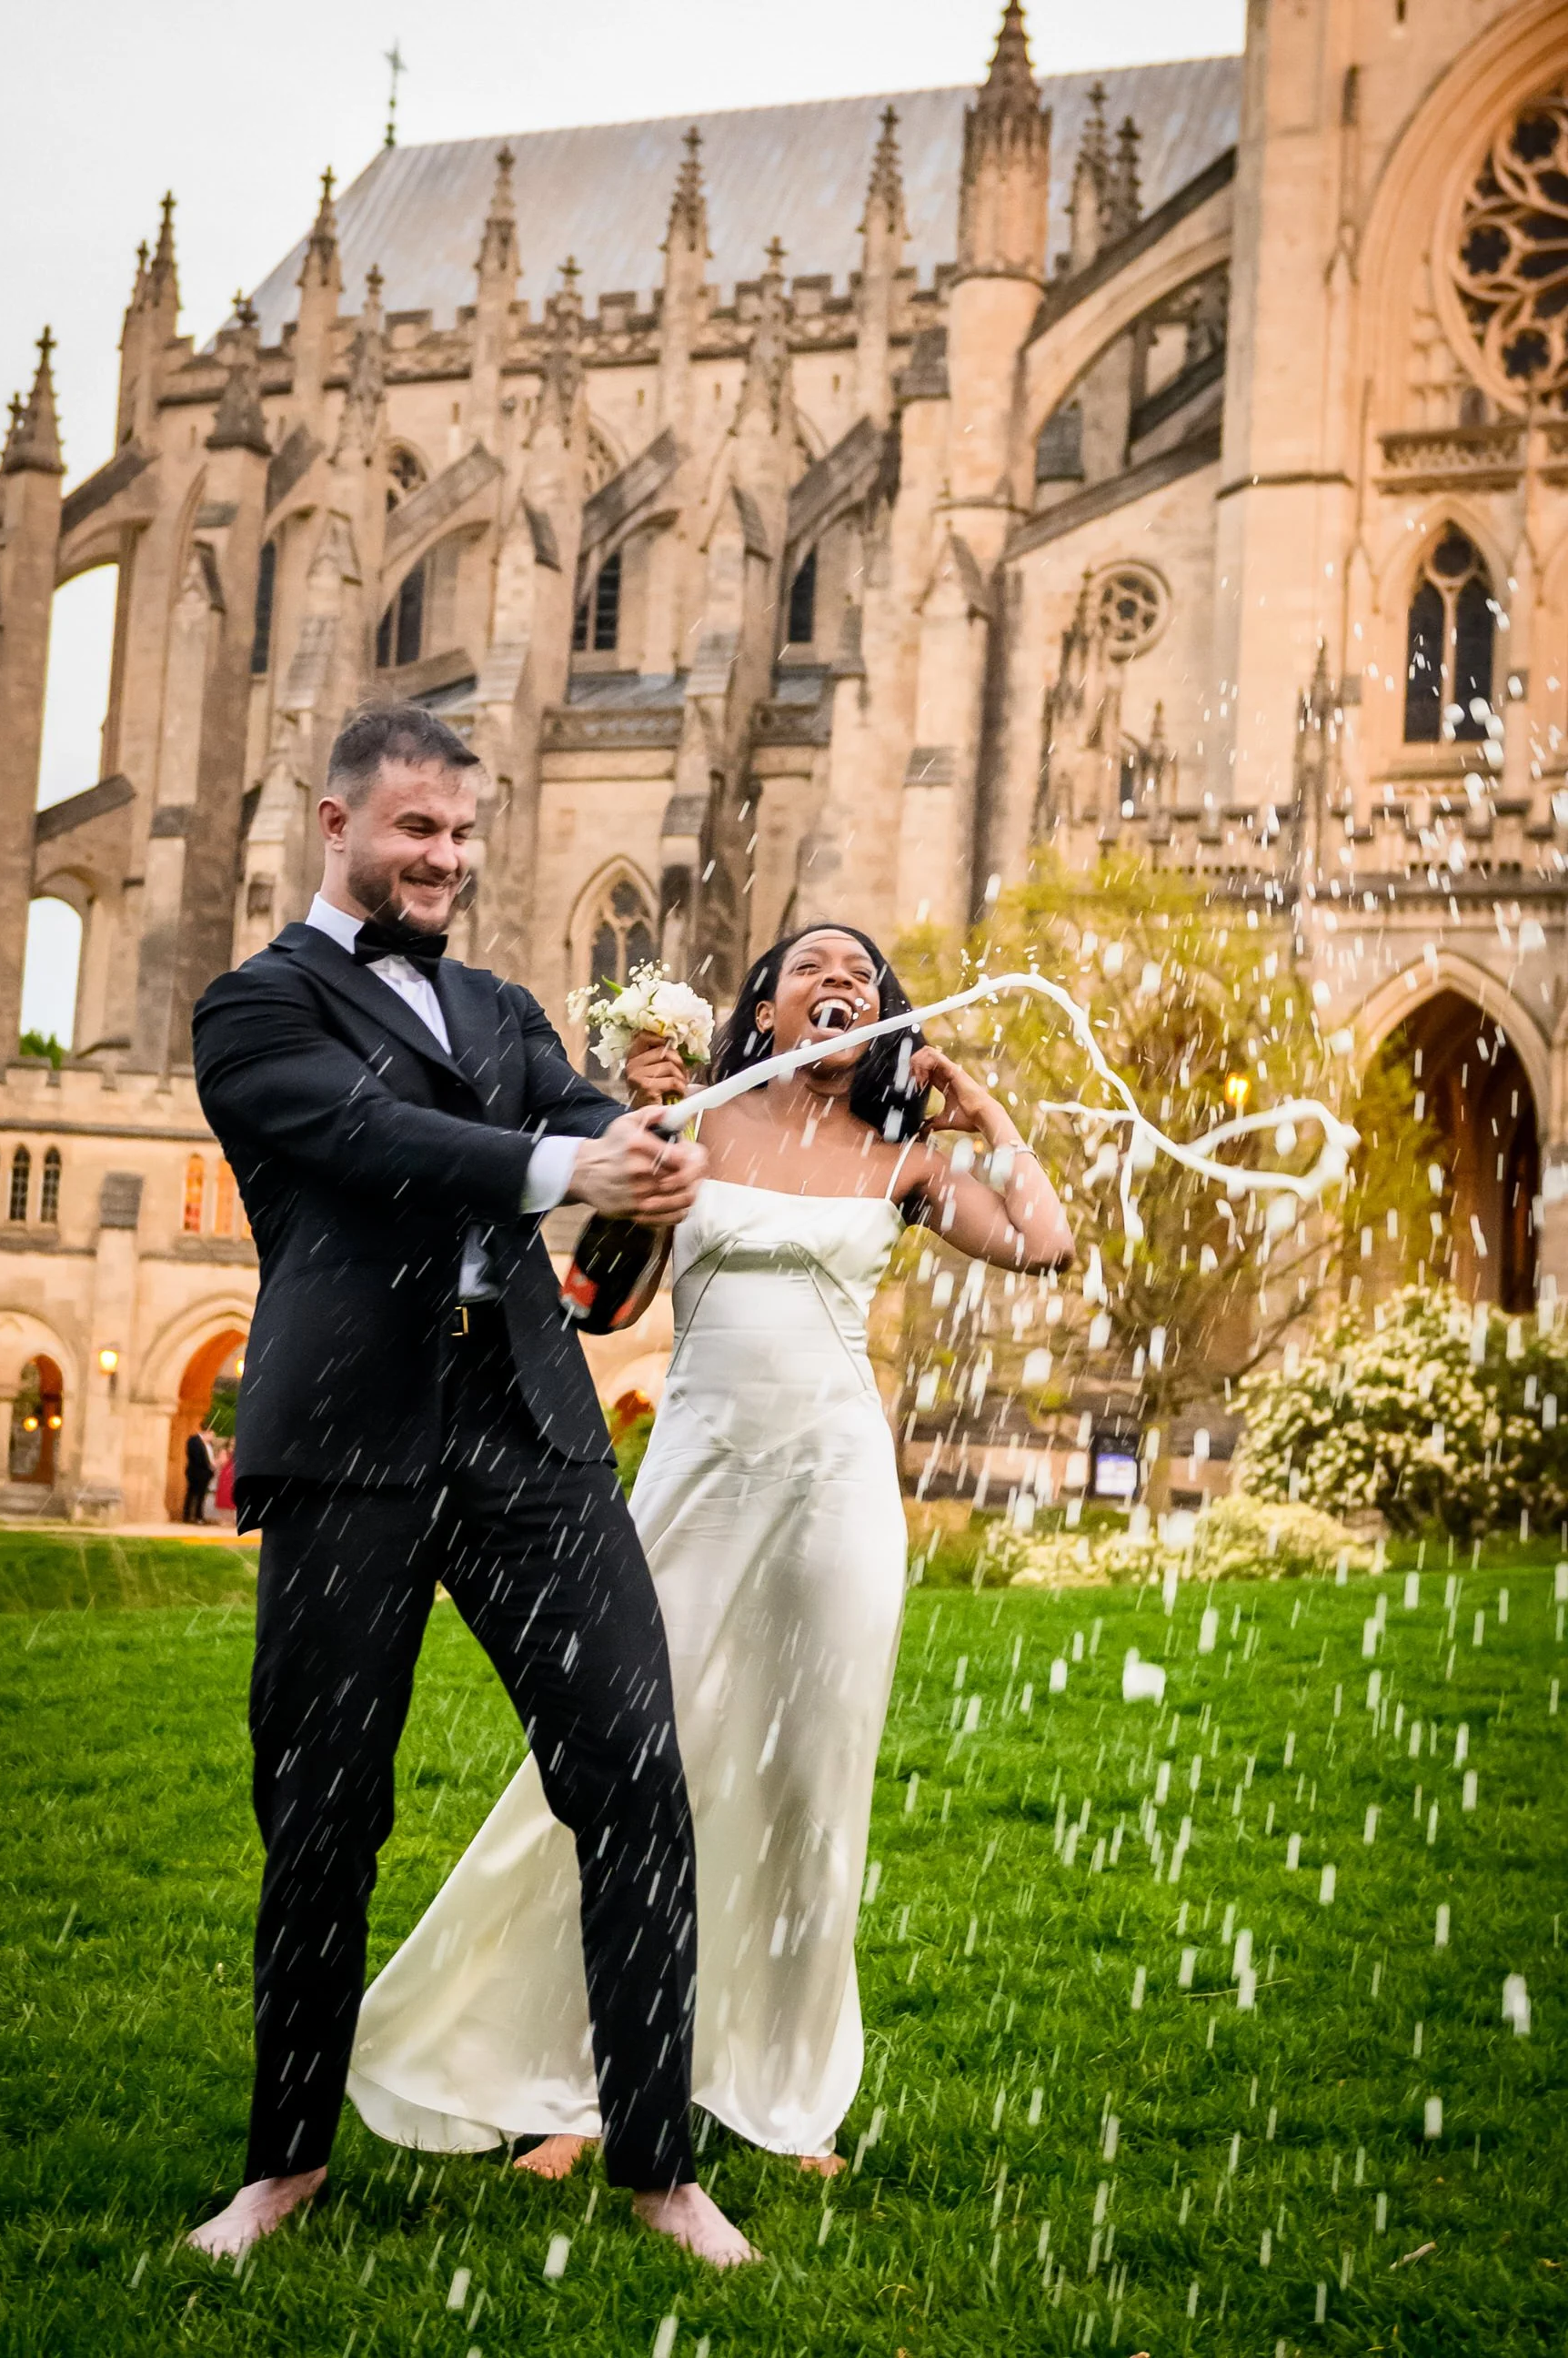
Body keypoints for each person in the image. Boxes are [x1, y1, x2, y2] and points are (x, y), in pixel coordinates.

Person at [346, 923, 1071, 2180]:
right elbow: (601, 1307)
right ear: (766, 1009)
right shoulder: (699, 1129)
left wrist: (984, 1108)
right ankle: (580, 2088)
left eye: (864, 977)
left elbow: (1042, 1241)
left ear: (882, 1022)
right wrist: (644, 1153)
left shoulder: (901, 1161)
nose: (841, 983)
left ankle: (785, 2097)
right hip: (698, 1484)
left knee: (810, 1792)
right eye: (815, 970)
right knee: (628, 1769)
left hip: (839, 1491)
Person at [186, 701, 753, 2266]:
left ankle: (656, 2160)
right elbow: (370, 1138)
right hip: (350, 1442)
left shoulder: (502, 1010)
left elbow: (593, 1147)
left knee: (635, 1770)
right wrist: (569, 1169)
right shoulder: (252, 1011)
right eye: (415, 829)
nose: (443, 857)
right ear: (337, 825)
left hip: (530, 1439)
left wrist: (649, 1150)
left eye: (460, 833)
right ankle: (281, 2165)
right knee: (323, 1810)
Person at [182, 1426, 214, 1524]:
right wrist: (209, 1465)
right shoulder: (194, 1441)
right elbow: (196, 1457)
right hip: (196, 1473)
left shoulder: (208, 1444)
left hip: (205, 1473)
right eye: (211, 1435)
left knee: (201, 1496)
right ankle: (188, 1516)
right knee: (192, 1494)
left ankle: (199, 1516)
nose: (212, 1437)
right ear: (206, 1433)